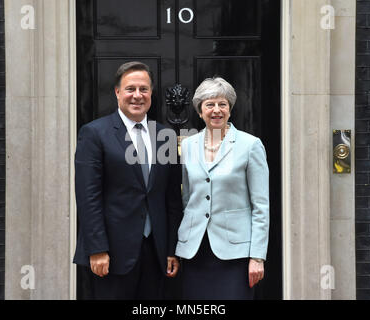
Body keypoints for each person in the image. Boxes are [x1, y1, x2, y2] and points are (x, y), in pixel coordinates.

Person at [73, 61, 183, 299]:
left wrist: (172, 248)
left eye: (143, 89)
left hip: (156, 253)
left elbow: (172, 198)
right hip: (111, 254)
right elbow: (87, 196)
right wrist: (97, 249)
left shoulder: (166, 136)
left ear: (151, 93)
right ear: (117, 92)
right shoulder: (94, 133)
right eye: (130, 89)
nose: (137, 95)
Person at [175, 77, 270, 300]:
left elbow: (261, 205)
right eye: (210, 104)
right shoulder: (188, 145)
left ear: (230, 109)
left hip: (235, 253)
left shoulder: (250, 145)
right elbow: (187, 198)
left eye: (222, 104)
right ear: (200, 111)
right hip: (195, 251)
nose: (216, 110)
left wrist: (257, 256)